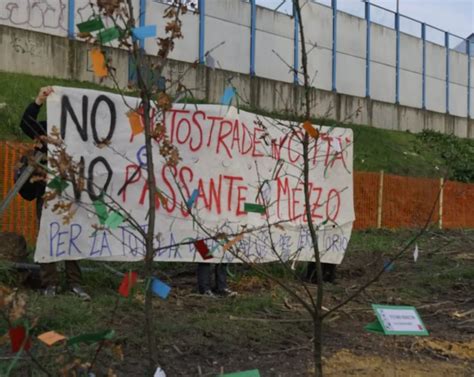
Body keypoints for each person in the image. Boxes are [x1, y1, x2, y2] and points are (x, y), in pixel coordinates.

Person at [19, 86, 90, 300]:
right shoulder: (47, 130)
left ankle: (75, 283)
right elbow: (25, 123)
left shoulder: (81, 132)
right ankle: (50, 282)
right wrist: (38, 100)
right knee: (48, 234)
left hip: (73, 192)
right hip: (48, 193)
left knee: (72, 235)